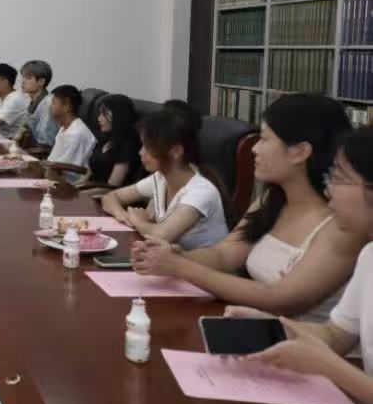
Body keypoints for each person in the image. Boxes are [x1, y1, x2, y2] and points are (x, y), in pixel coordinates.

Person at [132, 94, 365, 320]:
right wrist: (175, 255)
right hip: (257, 326)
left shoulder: (341, 225)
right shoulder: (272, 200)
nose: (254, 149)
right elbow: (224, 255)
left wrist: (181, 266)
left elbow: (280, 298)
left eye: (264, 139)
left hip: (298, 341)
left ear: (299, 152)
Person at [246, 127, 373, 404]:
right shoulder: (368, 256)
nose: (328, 190)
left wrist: (328, 366)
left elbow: (330, 356)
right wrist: (274, 327)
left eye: (339, 178)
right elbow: (336, 335)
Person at [102, 110, 229, 250]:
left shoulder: (201, 191)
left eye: (148, 147)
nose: (141, 152)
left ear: (176, 152)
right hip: (169, 259)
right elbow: (110, 197)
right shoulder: (160, 178)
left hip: (199, 263)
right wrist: (124, 216)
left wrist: (138, 221)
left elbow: (161, 235)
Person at [44, 85, 97, 183]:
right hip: (53, 173)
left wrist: (42, 167)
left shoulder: (76, 133)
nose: (50, 106)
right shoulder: (65, 127)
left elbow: (63, 168)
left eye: (54, 103)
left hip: (68, 184)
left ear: (66, 107)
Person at [87, 94, 142, 187]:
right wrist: (75, 187)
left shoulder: (127, 147)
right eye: (100, 113)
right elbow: (90, 172)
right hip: (87, 187)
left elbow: (111, 187)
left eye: (104, 114)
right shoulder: (104, 138)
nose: (99, 119)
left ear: (118, 117)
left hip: (103, 192)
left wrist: (81, 192)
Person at [17, 60, 59, 149]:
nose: (23, 81)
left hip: (43, 154)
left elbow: (45, 143)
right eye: (23, 77)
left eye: (28, 78)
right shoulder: (31, 101)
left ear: (41, 82)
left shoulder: (48, 104)